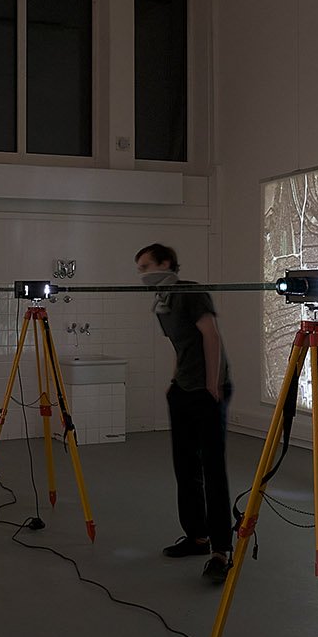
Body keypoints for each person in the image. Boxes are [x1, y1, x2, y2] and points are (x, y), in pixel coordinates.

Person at [136, 243, 235, 583]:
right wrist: (175, 380)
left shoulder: (190, 293)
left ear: (166, 263)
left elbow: (211, 336)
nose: (143, 274)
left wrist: (212, 383)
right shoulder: (162, 302)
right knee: (185, 466)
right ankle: (197, 536)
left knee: (212, 469)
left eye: (147, 266)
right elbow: (180, 344)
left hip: (206, 389)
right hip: (183, 388)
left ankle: (221, 550)